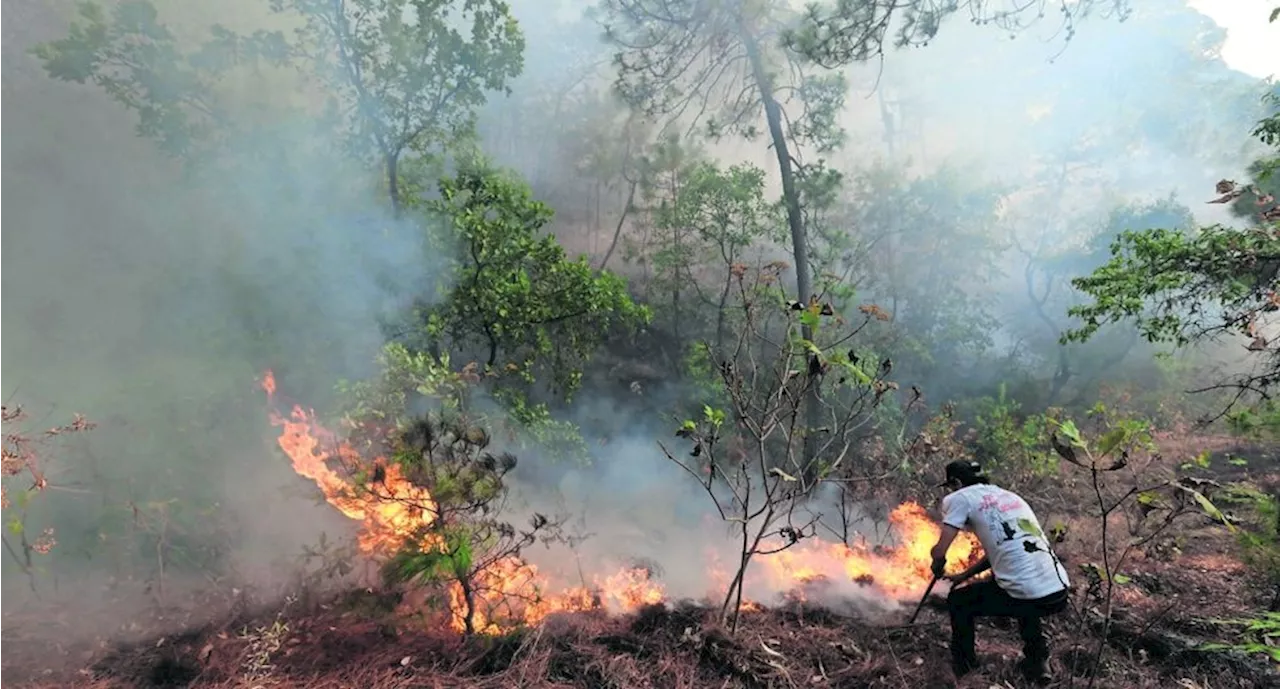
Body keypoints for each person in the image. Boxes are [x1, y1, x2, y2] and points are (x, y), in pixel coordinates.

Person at [929, 459, 1070, 685]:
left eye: (951, 485)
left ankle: (965, 668)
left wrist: (937, 561)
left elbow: (940, 551)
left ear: (956, 482)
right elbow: (1002, 549)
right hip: (1059, 590)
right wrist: (963, 576)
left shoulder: (959, 498)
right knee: (1022, 586)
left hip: (1027, 593)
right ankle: (1038, 660)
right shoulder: (1010, 497)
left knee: (959, 601)